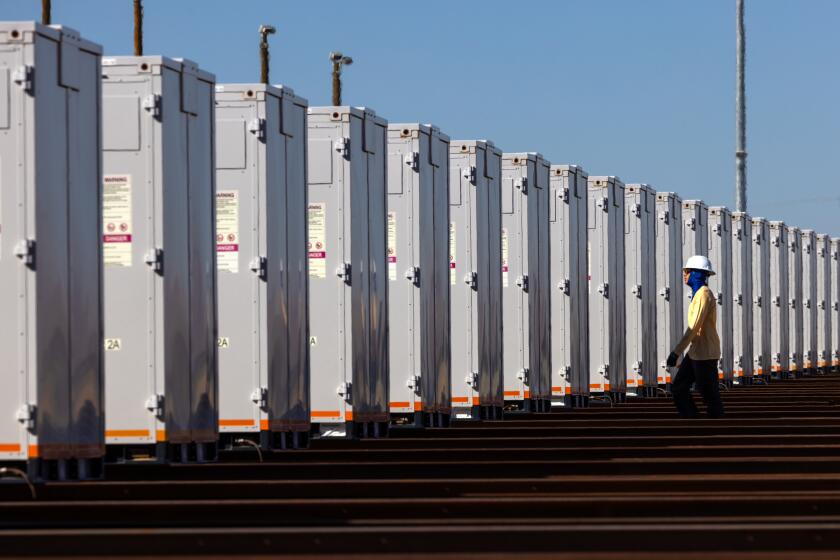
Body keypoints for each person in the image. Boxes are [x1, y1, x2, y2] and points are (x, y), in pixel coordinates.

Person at [666, 255, 724, 418]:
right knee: (679, 388)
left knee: (709, 395)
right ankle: (693, 420)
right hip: (696, 352)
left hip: (704, 353)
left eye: (687, 271)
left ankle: (714, 427)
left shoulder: (703, 294)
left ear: (697, 273)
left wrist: (676, 352)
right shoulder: (698, 294)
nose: (684, 274)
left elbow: (693, 328)